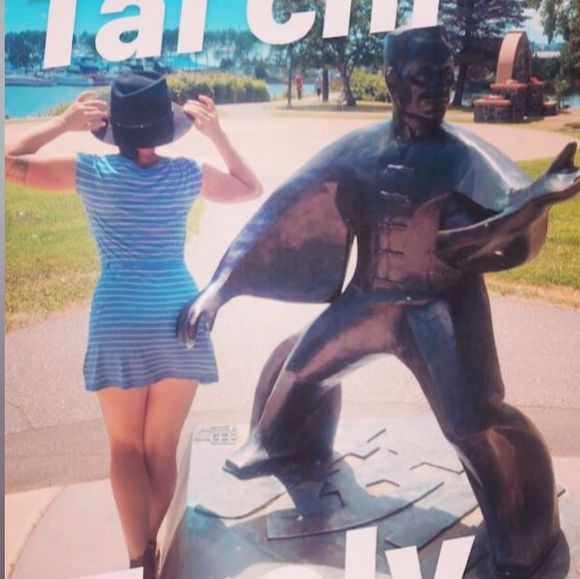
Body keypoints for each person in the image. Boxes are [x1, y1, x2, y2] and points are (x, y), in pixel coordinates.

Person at [178, 27, 579, 578]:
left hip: (438, 309)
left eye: (445, 76)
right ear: (392, 80)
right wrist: (221, 286)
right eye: (422, 77)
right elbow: (284, 209)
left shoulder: (466, 156)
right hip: (368, 300)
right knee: (303, 363)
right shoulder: (359, 151)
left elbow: (513, 205)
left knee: (473, 421)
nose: (437, 88)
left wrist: (537, 201)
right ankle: (277, 444)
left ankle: (525, 529)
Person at [5, 71, 262, 578]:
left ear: (113, 127)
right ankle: (148, 551)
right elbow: (250, 187)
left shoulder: (90, 172)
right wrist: (216, 134)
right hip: (179, 318)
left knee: (124, 448)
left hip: (118, 316)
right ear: (166, 127)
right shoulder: (186, 173)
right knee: (160, 448)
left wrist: (62, 123)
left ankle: (137, 558)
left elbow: (8, 163)